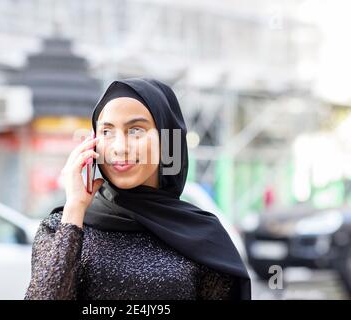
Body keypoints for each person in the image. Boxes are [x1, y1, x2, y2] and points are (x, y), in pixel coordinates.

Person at [25, 78, 251, 300]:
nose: (120, 147)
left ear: (167, 139)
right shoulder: (60, 227)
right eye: (107, 132)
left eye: (135, 130)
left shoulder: (203, 237)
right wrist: (74, 210)